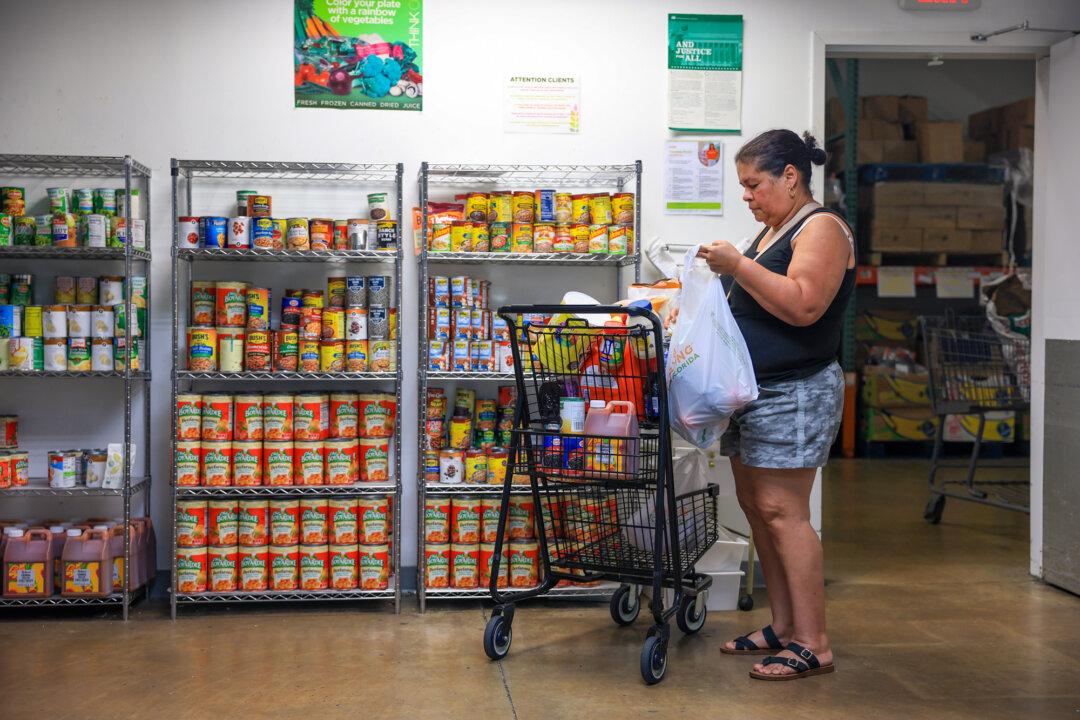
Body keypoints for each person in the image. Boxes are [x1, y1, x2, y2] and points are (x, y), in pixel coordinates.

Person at [697, 129, 853, 681]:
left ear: (791, 176)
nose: (747, 196)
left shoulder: (823, 228)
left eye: (753, 184)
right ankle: (784, 626)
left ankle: (814, 642)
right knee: (760, 510)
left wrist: (737, 266)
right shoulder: (772, 229)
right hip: (755, 393)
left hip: (796, 390)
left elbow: (805, 306)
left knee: (786, 514)